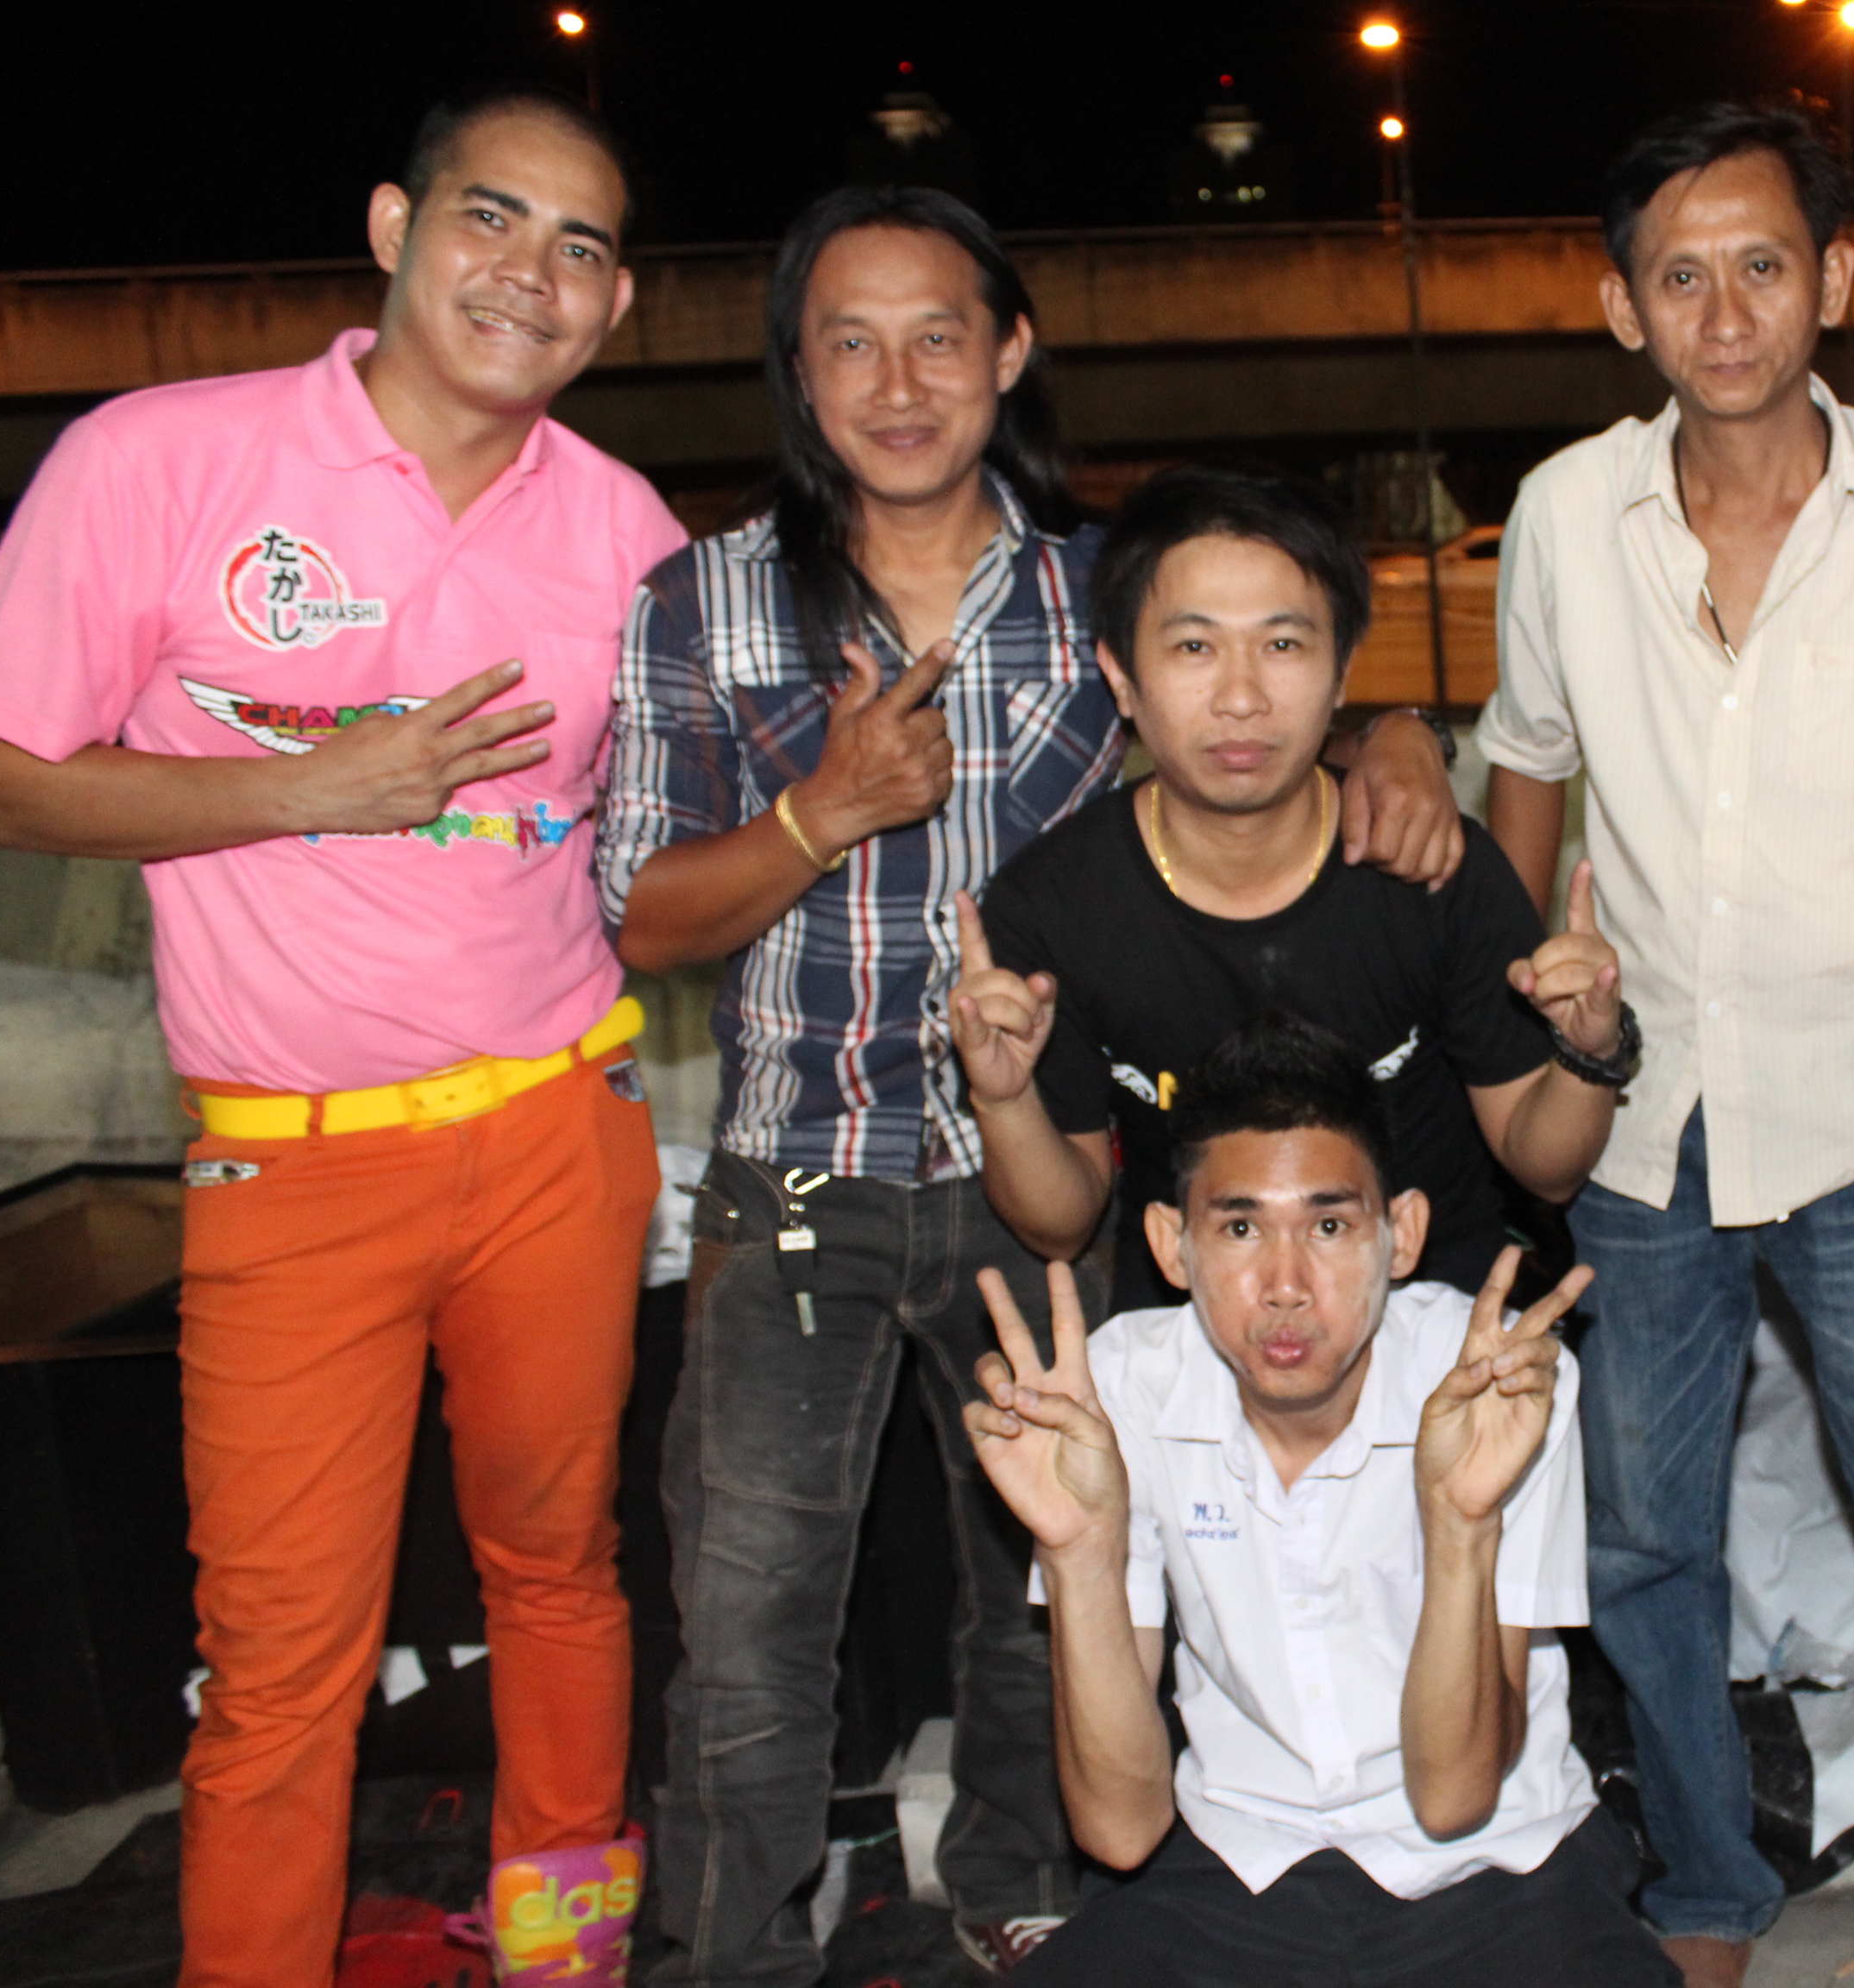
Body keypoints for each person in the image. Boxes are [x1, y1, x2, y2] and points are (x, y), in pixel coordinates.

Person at [595, 186, 1464, 1982]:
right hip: (802, 1169)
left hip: (1055, 1171)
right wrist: (822, 811)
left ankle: (1019, 1889)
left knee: (1048, 1581)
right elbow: (642, 917)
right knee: (748, 1617)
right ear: (799, 372)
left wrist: (1399, 733)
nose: (898, 382)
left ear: (1009, 352)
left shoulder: (1100, 591)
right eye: (850, 343)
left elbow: (1269, 683)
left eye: (939, 336)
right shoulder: (706, 596)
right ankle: (730, 1949)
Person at [0, 91, 676, 1987]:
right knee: (279, 1660)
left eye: (580, 247)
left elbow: (686, 825)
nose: (529, 272)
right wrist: (307, 788)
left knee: (563, 1575)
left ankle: (567, 1956)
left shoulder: (626, 531)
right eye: (491, 217)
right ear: (393, 227)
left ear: (615, 307)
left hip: (559, 1133)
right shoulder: (159, 458)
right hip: (292, 1160)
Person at [1477, 103, 1854, 1988]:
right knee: (1646, 1547)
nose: (1723, 313)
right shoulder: (1565, 514)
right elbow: (1528, 763)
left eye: (1761, 265)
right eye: (1680, 275)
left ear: (1837, 280)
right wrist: (1507, 1022)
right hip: (1642, 1125)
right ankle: (1710, 1886)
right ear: (1620, 306)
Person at [958, 1013, 1677, 1987]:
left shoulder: (1493, 1379)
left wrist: (1462, 1521)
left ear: (1402, 1235)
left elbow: (1456, 1797)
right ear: (1172, 1246)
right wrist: (1079, 1554)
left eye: (1330, 1226)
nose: (1286, 1285)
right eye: (1240, 1228)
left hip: (1499, 1863)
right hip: (1239, 1860)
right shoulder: (1119, 1388)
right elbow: (1120, 1832)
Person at [954, 464, 1631, 1318]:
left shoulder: (1428, 867)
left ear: (1341, 671)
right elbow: (1060, 1225)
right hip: (1194, 1340)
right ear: (1121, 677)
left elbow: (1548, 1168)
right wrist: (1005, 1099)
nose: (1241, 698)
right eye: (1194, 648)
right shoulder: (1054, 908)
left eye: (1282, 646)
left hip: (1438, 1330)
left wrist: (1587, 1052)